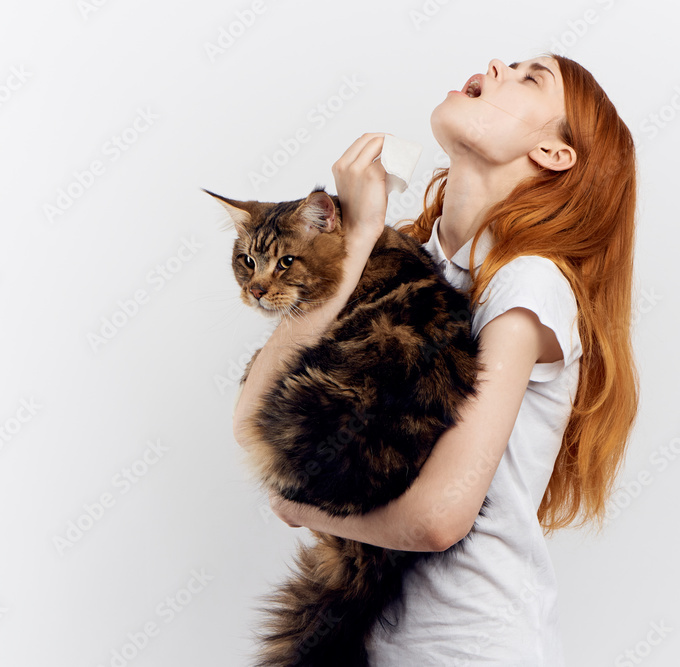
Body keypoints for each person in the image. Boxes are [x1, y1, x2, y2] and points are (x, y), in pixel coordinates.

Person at [233, 52, 639, 665]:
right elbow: (250, 422)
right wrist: (359, 237)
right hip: (383, 644)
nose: (497, 64)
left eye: (531, 78)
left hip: (472, 647)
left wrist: (296, 504)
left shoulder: (528, 283)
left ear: (554, 154)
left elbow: (438, 520)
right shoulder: (413, 262)